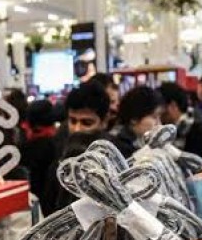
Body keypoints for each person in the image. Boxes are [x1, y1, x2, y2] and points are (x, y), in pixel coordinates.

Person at [41, 82, 111, 215]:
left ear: (104, 121)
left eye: (87, 122)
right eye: (73, 121)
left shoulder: (116, 155)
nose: (77, 129)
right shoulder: (58, 152)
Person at [158, 81, 202, 170]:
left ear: (172, 106)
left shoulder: (201, 135)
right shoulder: (165, 132)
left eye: (159, 109)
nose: (158, 115)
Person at [110, 86, 162, 159]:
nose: (159, 123)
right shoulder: (120, 147)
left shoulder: (138, 141)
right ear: (134, 119)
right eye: (154, 117)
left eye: (159, 117)